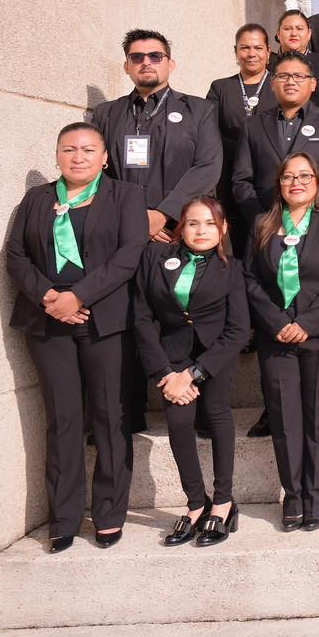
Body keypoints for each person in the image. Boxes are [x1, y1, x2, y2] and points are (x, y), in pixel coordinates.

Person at [6, 123, 148, 553]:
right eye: (69, 149)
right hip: (47, 323)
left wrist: (78, 296)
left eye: (89, 150)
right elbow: (16, 254)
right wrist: (49, 296)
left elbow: (129, 256)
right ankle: (64, 517)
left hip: (105, 323)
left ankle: (108, 513)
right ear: (57, 156)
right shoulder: (37, 199)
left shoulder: (125, 196)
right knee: (63, 420)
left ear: (105, 157)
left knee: (109, 418)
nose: (78, 157)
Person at [93, 29, 222, 430]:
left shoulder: (199, 110)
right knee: (127, 323)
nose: (146, 62)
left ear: (171, 63)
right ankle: (126, 416)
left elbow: (207, 167)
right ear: (127, 66)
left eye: (155, 55)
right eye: (137, 57)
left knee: (181, 319)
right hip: (126, 241)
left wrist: (163, 216)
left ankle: (195, 411)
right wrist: (137, 223)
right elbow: (102, 175)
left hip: (178, 236)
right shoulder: (107, 115)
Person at [243, 151, 319, 531]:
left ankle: (317, 497)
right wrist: (276, 322)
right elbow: (250, 279)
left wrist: (307, 321)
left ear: (318, 183)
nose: (297, 183)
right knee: (285, 419)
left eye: (305, 176)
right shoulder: (262, 223)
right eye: (289, 177)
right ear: (280, 185)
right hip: (276, 336)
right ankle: (293, 495)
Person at [132, 197, 249, 546]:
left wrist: (195, 373)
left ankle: (224, 503)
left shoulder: (234, 269)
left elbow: (239, 330)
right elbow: (141, 317)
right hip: (171, 358)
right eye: (193, 223)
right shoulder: (154, 258)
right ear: (180, 227)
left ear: (223, 228)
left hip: (215, 356)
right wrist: (165, 374)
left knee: (215, 413)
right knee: (179, 422)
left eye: (210, 223)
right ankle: (197, 504)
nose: (201, 230)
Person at [231, 52, 319, 231]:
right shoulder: (253, 125)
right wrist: (262, 219)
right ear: (272, 83)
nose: (290, 81)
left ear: (313, 84)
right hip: (267, 228)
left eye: (299, 76)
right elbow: (241, 181)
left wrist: (309, 215)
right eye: (283, 76)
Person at [207, 23, 278, 255]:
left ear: (268, 52)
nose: (251, 53)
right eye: (245, 47)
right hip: (231, 177)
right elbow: (209, 130)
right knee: (239, 246)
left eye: (258, 47)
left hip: (272, 178)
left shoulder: (280, 84)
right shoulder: (220, 88)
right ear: (236, 51)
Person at [275, 9, 319, 110]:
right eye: (287, 29)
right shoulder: (269, 63)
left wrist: (314, 117)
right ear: (278, 34)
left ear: (309, 34)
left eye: (299, 29)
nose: (294, 33)